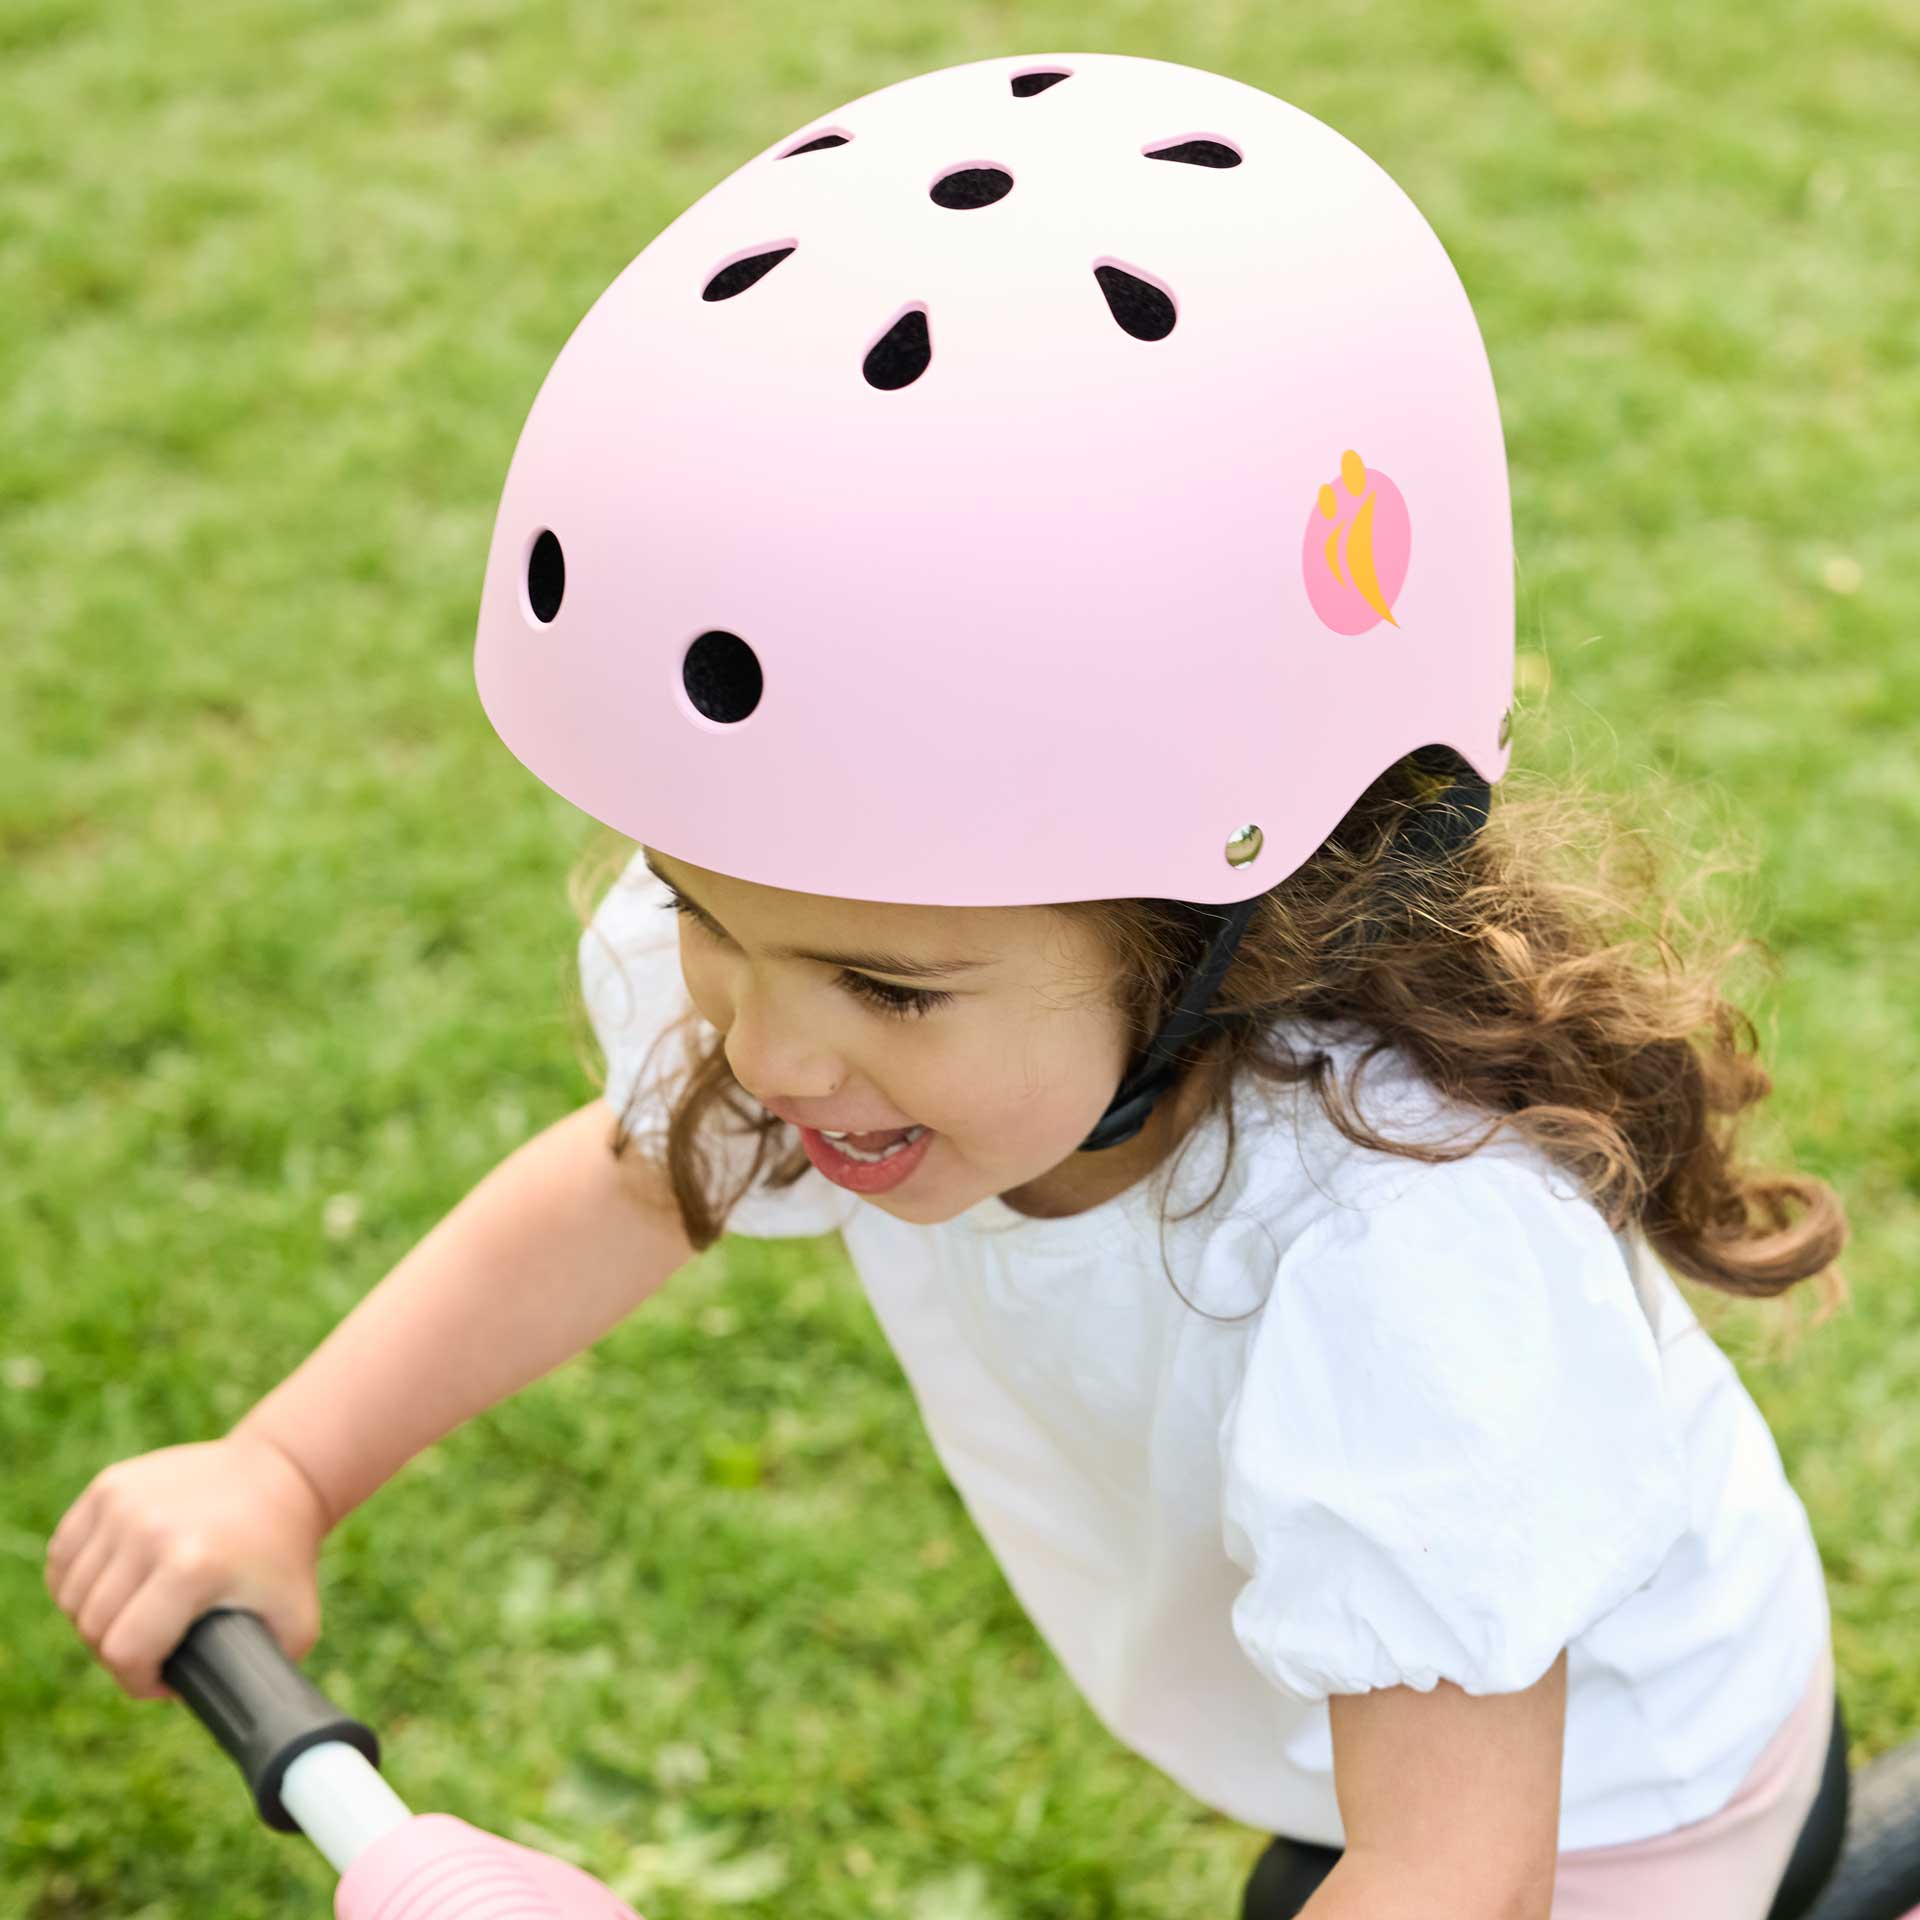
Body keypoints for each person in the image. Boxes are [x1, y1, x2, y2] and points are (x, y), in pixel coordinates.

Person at [45, 51, 1852, 1920]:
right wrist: (282, 1466)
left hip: (1615, 1821)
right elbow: (622, 1183)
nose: (765, 1042)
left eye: (889, 988)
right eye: (701, 913)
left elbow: (1450, 1871)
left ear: (1239, 927)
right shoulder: (844, 1004)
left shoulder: (1406, 1269)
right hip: (1354, 1758)